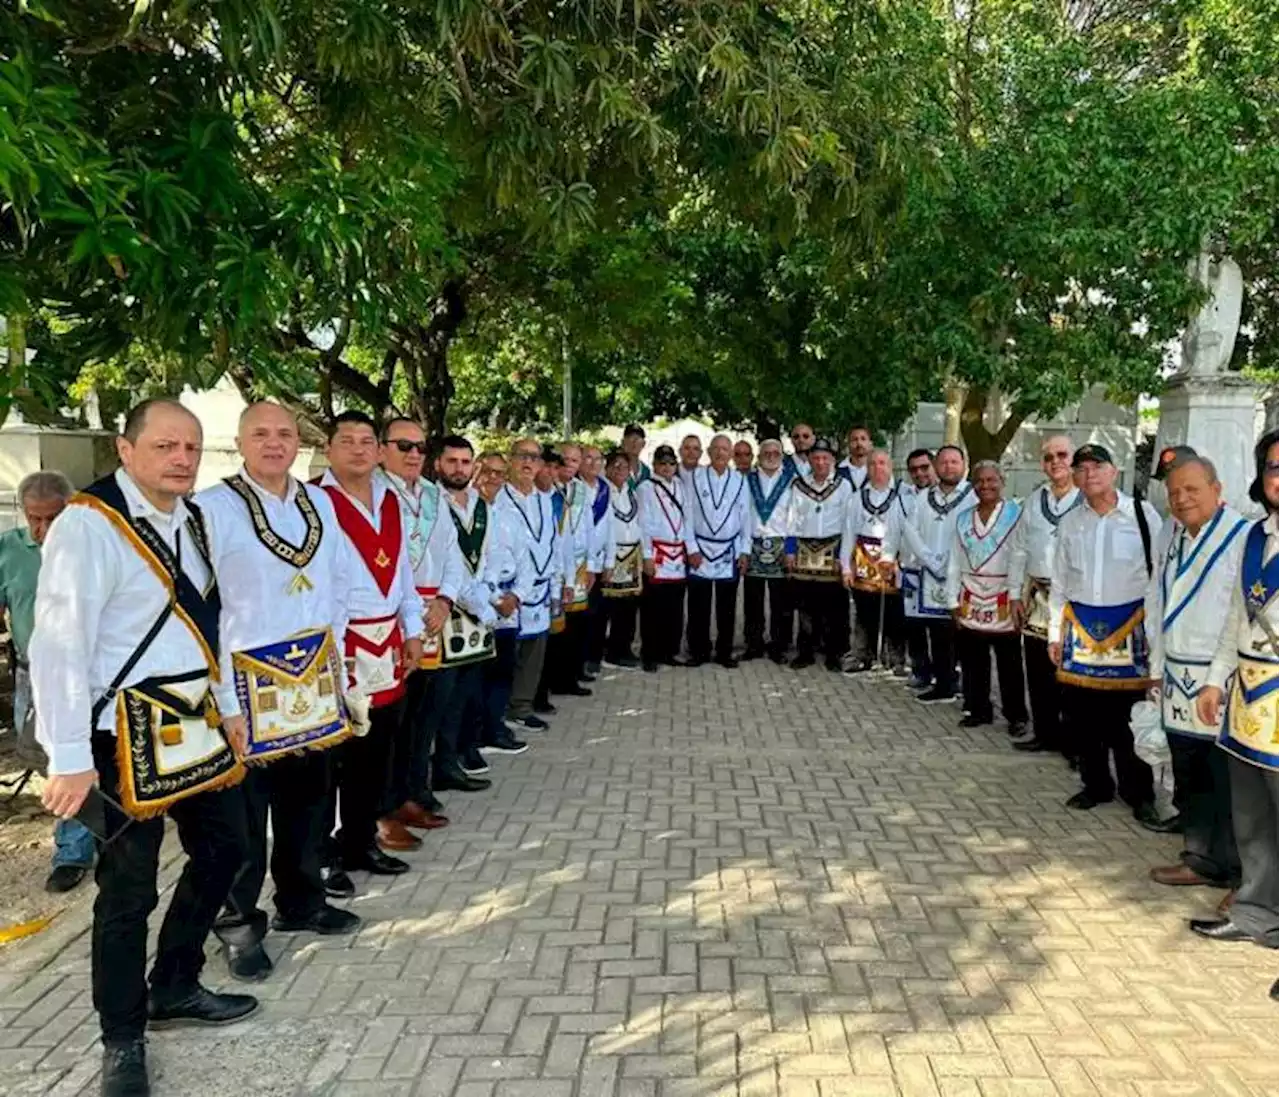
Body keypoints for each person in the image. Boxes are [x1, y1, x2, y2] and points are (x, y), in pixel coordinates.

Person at [33, 398, 255, 1097]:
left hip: (191, 720)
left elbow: (206, 624)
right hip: (116, 733)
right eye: (164, 446)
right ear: (126, 451)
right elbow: (59, 641)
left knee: (228, 846)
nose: (181, 458)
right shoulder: (88, 524)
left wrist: (227, 708)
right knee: (127, 892)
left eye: (190, 447)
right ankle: (122, 1038)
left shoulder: (191, 520)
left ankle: (177, 982)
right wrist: (67, 754)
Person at [201, 402, 361, 984]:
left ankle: (303, 899)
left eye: (285, 434)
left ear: (299, 442)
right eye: (261, 434)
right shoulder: (213, 508)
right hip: (247, 683)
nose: (274, 444)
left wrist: (339, 664)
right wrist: (222, 699)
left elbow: (339, 580)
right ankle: (239, 926)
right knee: (243, 817)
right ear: (240, 441)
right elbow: (204, 609)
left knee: (309, 803)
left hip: (313, 677)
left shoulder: (318, 501)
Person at [317, 411, 426, 872]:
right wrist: (335, 654)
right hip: (344, 644)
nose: (359, 449)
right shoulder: (315, 501)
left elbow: (401, 567)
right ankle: (323, 856)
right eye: (348, 440)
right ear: (329, 449)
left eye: (367, 441)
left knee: (376, 751)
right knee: (333, 759)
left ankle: (361, 841)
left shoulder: (388, 499)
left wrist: (414, 627)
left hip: (387, 640)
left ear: (378, 450)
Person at [1144, 449, 1247, 890]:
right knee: (1190, 776)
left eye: (1192, 489)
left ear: (1217, 489)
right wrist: (1155, 666)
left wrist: (1217, 679)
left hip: (1218, 677)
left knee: (1229, 783)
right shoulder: (1176, 538)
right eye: (1174, 492)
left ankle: (1240, 877)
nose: (1182, 499)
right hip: (1175, 675)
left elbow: (1240, 614)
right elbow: (1159, 601)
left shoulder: (1243, 536)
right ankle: (1200, 858)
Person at [1195, 431, 1280, 954]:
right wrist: (1213, 678)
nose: (1279, 476)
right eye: (1272, 466)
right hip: (1249, 695)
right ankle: (1255, 914)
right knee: (1251, 816)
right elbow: (1234, 618)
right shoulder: (1254, 537)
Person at [380, 418, 481, 838]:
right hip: (392, 619)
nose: (413, 454)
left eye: (420, 446)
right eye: (403, 445)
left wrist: (444, 599)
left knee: (427, 712)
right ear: (383, 448)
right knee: (393, 720)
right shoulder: (376, 493)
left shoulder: (434, 498)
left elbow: (454, 558)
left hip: (436, 615)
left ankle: (414, 791)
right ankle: (386, 804)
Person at [1049, 443, 1160, 823]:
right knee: (1082, 718)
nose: (1089, 474)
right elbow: (1059, 583)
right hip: (1080, 630)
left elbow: (1157, 580)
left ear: (1115, 471)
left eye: (1098, 466)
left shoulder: (1144, 517)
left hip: (1129, 629)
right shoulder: (1069, 523)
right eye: (1082, 468)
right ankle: (1095, 784)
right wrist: (1053, 634)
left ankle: (1139, 793)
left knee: (1127, 719)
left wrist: (1155, 638)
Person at [0, 472, 92, 893]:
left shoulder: (89, 547)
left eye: (51, 518)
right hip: (31, 674)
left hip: (90, 674)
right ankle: (77, 842)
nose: (42, 529)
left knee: (89, 756)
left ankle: (78, 848)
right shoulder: (8, 550)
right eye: (34, 519)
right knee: (49, 761)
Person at [435, 435, 526, 773]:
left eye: (464, 462)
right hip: (449, 611)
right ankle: (444, 761)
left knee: (471, 689)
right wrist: (483, 604)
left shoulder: (479, 507)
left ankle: (466, 750)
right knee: (445, 696)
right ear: (439, 464)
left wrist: (489, 596)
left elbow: (484, 561)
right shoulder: (435, 503)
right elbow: (448, 564)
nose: (460, 468)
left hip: (478, 610)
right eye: (452, 461)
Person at [883, 444, 976, 703]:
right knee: (935, 630)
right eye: (943, 462)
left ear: (963, 464)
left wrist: (949, 561)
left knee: (961, 634)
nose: (948, 467)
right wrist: (930, 558)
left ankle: (965, 689)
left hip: (961, 573)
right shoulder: (924, 497)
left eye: (954, 462)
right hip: (927, 572)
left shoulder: (973, 495)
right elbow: (910, 530)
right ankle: (942, 684)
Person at [1007, 435, 1081, 755]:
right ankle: (1044, 733)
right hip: (1038, 595)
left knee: (1072, 673)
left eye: (1062, 455)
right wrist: (1014, 595)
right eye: (1049, 457)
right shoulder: (1034, 500)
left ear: (1074, 458)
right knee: (1038, 669)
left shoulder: (1087, 499)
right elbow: (1019, 549)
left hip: (1075, 600)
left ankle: (1074, 743)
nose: (1056, 462)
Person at [945, 461, 1028, 734]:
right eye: (980, 481)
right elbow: (954, 561)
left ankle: (1016, 715)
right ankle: (978, 708)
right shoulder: (963, 518)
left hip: (1004, 595)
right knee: (972, 660)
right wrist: (952, 600)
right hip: (970, 595)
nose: (986, 486)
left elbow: (1020, 557)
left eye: (992, 480)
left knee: (1010, 663)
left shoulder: (1016, 515)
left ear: (1002, 482)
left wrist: (1018, 594)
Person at [496, 438, 568, 732]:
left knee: (534, 651)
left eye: (534, 458)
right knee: (504, 656)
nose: (528, 463)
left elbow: (554, 542)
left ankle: (522, 706)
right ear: (511, 459)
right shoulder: (499, 498)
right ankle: (495, 714)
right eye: (521, 456)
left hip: (540, 585)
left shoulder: (544, 500)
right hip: (508, 589)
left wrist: (558, 582)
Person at [471, 452, 529, 755]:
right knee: (475, 677)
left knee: (503, 670)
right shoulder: (463, 508)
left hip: (508, 604)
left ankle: (495, 727)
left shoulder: (510, 514)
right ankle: (475, 735)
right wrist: (495, 600)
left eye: (498, 474)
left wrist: (516, 595)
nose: (491, 479)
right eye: (486, 471)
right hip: (477, 605)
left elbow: (524, 558)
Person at [786, 438, 853, 669]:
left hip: (832, 547)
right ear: (810, 460)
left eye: (825, 458)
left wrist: (841, 557)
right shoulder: (798, 485)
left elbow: (848, 524)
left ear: (833, 460)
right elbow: (792, 519)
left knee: (834, 607)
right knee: (805, 606)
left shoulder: (843, 486)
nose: (820, 462)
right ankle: (805, 652)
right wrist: (790, 549)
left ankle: (834, 653)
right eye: (816, 458)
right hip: (805, 549)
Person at [684, 434, 749, 668]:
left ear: (731, 454)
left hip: (728, 549)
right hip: (700, 547)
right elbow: (687, 515)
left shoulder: (740, 480)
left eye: (725, 449)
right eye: (717, 449)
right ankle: (698, 650)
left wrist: (745, 550)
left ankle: (724, 651)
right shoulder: (695, 477)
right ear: (709, 452)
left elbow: (745, 518)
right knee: (698, 604)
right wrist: (690, 547)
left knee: (727, 605)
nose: (721, 453)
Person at [843, 450, 907, 674]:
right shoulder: (856, 497)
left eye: (882, 463)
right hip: (863, 561)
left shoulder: (902, 496)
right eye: (872, 464)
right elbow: (849, 533)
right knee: (864, 610)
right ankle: (863, 654)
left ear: (890, 466)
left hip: (891, 561)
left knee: (894, 612)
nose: (877, 468)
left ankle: (895, 657)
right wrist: (845, 567)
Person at [545, 442, 598, 698]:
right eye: (564, 459)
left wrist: (592, 565)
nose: (569, 464)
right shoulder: (547, 491)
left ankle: (571, 675)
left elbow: (589, 528)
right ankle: (552, 680)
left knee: (577, 625)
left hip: (578, 566)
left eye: (574, 460)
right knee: (555, 628)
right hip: (553, 567)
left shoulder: (580, 490)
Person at [742, 439, 794, 662]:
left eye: (776, 452)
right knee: (752, 601)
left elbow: (795, 519)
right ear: (759, 455)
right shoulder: (747, 481)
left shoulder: (791, 482)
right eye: (766, 452)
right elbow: (743, 516)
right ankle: (753, 644)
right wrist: (743, 550)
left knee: (780, 602)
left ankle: (779, 646)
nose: (771, 456)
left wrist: (791, 549)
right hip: (753, 544)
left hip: (780, 546)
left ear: (782, 455)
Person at [637, 444, 688, 671]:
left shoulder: (680, 485)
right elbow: (643, 524)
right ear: (655, 464)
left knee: (675, 608)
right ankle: (650, 654)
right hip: (657, 552)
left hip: (677, 554)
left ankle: (670, 651)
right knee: (652, 608)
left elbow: (686, 518)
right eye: (662, 463)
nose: (667, 467)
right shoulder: (645, 488)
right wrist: (646, 555)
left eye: (670, 463)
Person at [602, 450, 645, 667]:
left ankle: (624, 648)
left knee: (629, 607)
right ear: (607, 468)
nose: (620, 470)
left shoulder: (632, 493)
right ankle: (607, 651)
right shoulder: (602, 492)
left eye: (624, 467)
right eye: (615, 466)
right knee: (609, 607)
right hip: (612, 554)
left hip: (631, 555)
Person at [900, 449, 937, 687]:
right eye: (914, 469)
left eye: (924, 467)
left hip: (938, 572)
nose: (919, 473)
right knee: (914, 627)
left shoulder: (948, 495)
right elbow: (895, 529)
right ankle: (921, 671)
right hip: (910, 570)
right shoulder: (903, 496)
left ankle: (948, 674)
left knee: (941, 629)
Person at [580, 445, 612, 677]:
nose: (592, 463)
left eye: (597, 459)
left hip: (601, 561)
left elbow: (609, 526)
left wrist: (610, 561)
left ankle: (593, 658)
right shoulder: (575, 488)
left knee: (599, 613)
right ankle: (577, 664)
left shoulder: (604, 488)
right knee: (581, 616)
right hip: (580, 564)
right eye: (587, 458)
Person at [622, 424, 651, 490]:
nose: (634, 442)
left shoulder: (646, 471)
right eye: (630, 437)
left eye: (637, 438)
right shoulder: (616, 468)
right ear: (623, 442)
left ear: (643, 444)